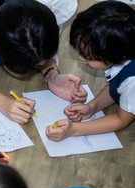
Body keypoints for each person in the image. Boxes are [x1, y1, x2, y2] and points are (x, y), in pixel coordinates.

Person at [46, 1, 135, 141]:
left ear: (119, 56)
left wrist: (73, 130)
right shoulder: (123, 52)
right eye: (80, 51)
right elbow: (116, 86)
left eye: (88, 56)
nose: (80, 58)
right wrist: (92, 107)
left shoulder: (132, 82)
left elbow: (121, 120)